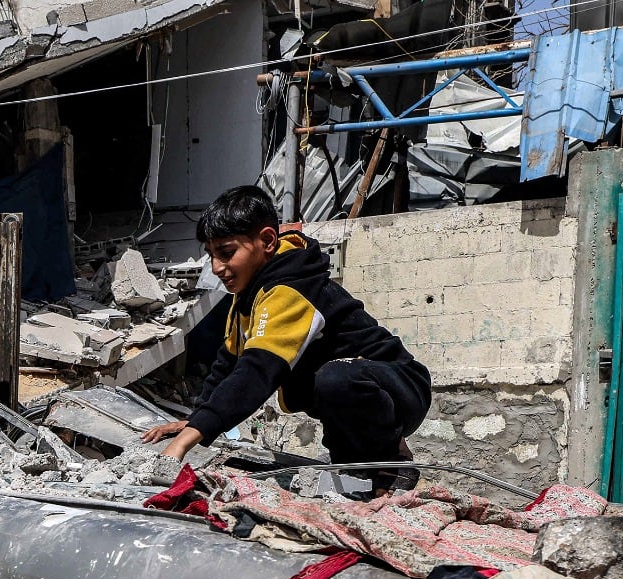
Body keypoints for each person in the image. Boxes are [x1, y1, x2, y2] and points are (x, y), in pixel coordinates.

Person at [141, 185, 432, 496]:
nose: (216, 267)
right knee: (346, 464)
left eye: (226, 253)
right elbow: (229, 362)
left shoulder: (290, 289)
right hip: (344, 396)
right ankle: (359, 469)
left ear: (267, 241)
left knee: (335, 378)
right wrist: (195, 420)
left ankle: (393, 460)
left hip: (399, 388)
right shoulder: (249, 293)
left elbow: (257, 371)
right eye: (211, 255)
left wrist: (182, 445)